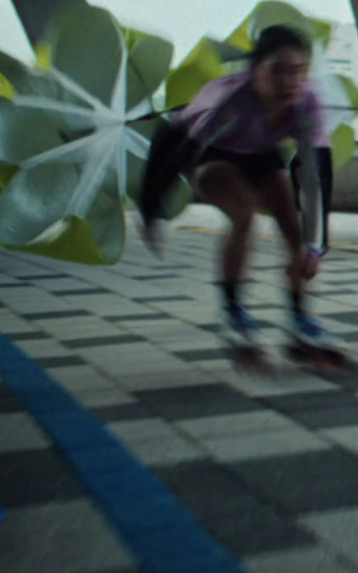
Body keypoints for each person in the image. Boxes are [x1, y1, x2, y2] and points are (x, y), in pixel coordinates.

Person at [139, 25, 341, 367]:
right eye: (278, 71)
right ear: (255, 69)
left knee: (295, 229)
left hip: (263, 156)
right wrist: (151, 212)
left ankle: (300, 320)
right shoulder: (226, 98)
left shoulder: (307, 102)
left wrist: (316, 246)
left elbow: (314, 174)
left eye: (298, 71)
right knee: (244, 215)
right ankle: (234, 313)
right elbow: (171, 147)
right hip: (215, 156)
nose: (289, 82)